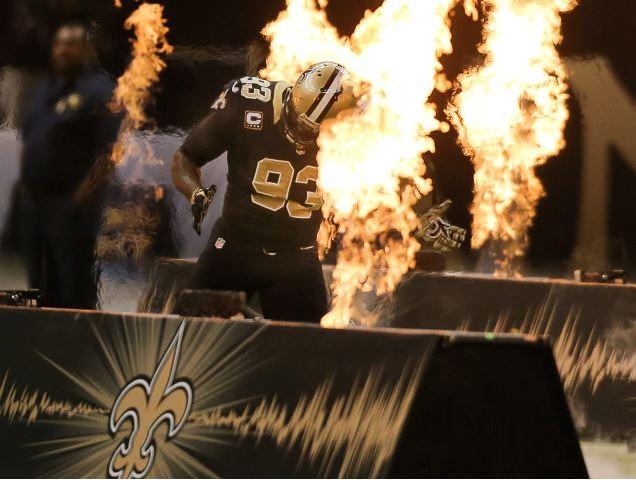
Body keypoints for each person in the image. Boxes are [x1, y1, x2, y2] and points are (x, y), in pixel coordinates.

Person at [172, 62, 352, 324]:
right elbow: (186, 157)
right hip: (233, 248)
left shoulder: (359, 135)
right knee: (185, 336)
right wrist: (195, 192)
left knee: (309, 355)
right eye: (297, 119)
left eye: (309, 129)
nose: (298, 134)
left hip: (297, 258)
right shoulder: (249, 101)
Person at [18, 20, 120, 309]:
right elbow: (30, 137)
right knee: (40, 286)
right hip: (37, 202)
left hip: (72, 201)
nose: (62, 50)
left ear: (87, 49)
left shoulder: (100, 89)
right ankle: (42, 341)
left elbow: (111, 150)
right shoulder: (47, 88)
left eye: (71, 44)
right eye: (58, 44)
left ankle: (75, 345)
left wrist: (84, 197)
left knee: (72, 285)